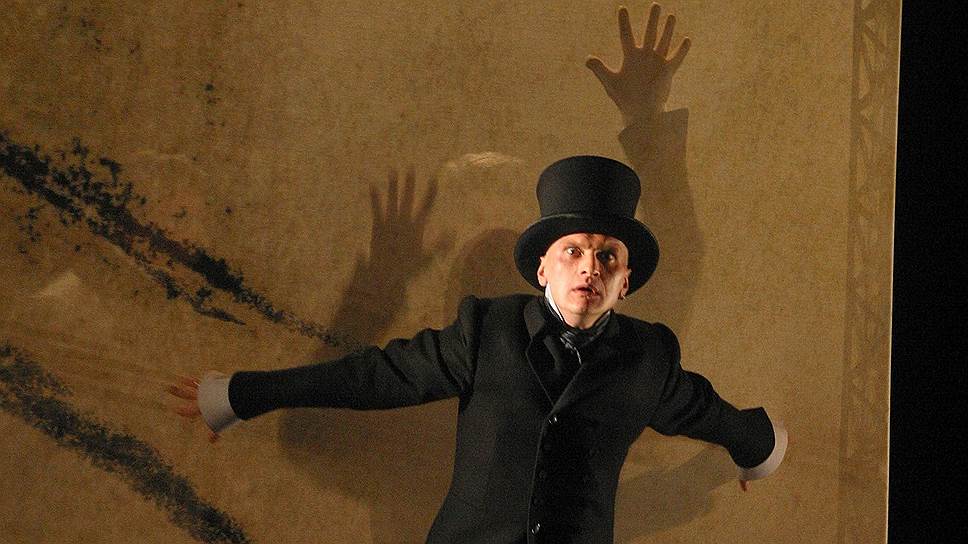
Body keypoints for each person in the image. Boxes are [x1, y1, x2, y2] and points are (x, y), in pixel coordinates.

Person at [170, 152, 786, 543]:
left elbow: (711, 414)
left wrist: (758, 448)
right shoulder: (487, 331)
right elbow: (370, 378)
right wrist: (239, 396)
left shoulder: (648, 359)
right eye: (572, 251)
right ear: (541, 269)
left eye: (608, 256)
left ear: (625, 283)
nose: (589, 267)